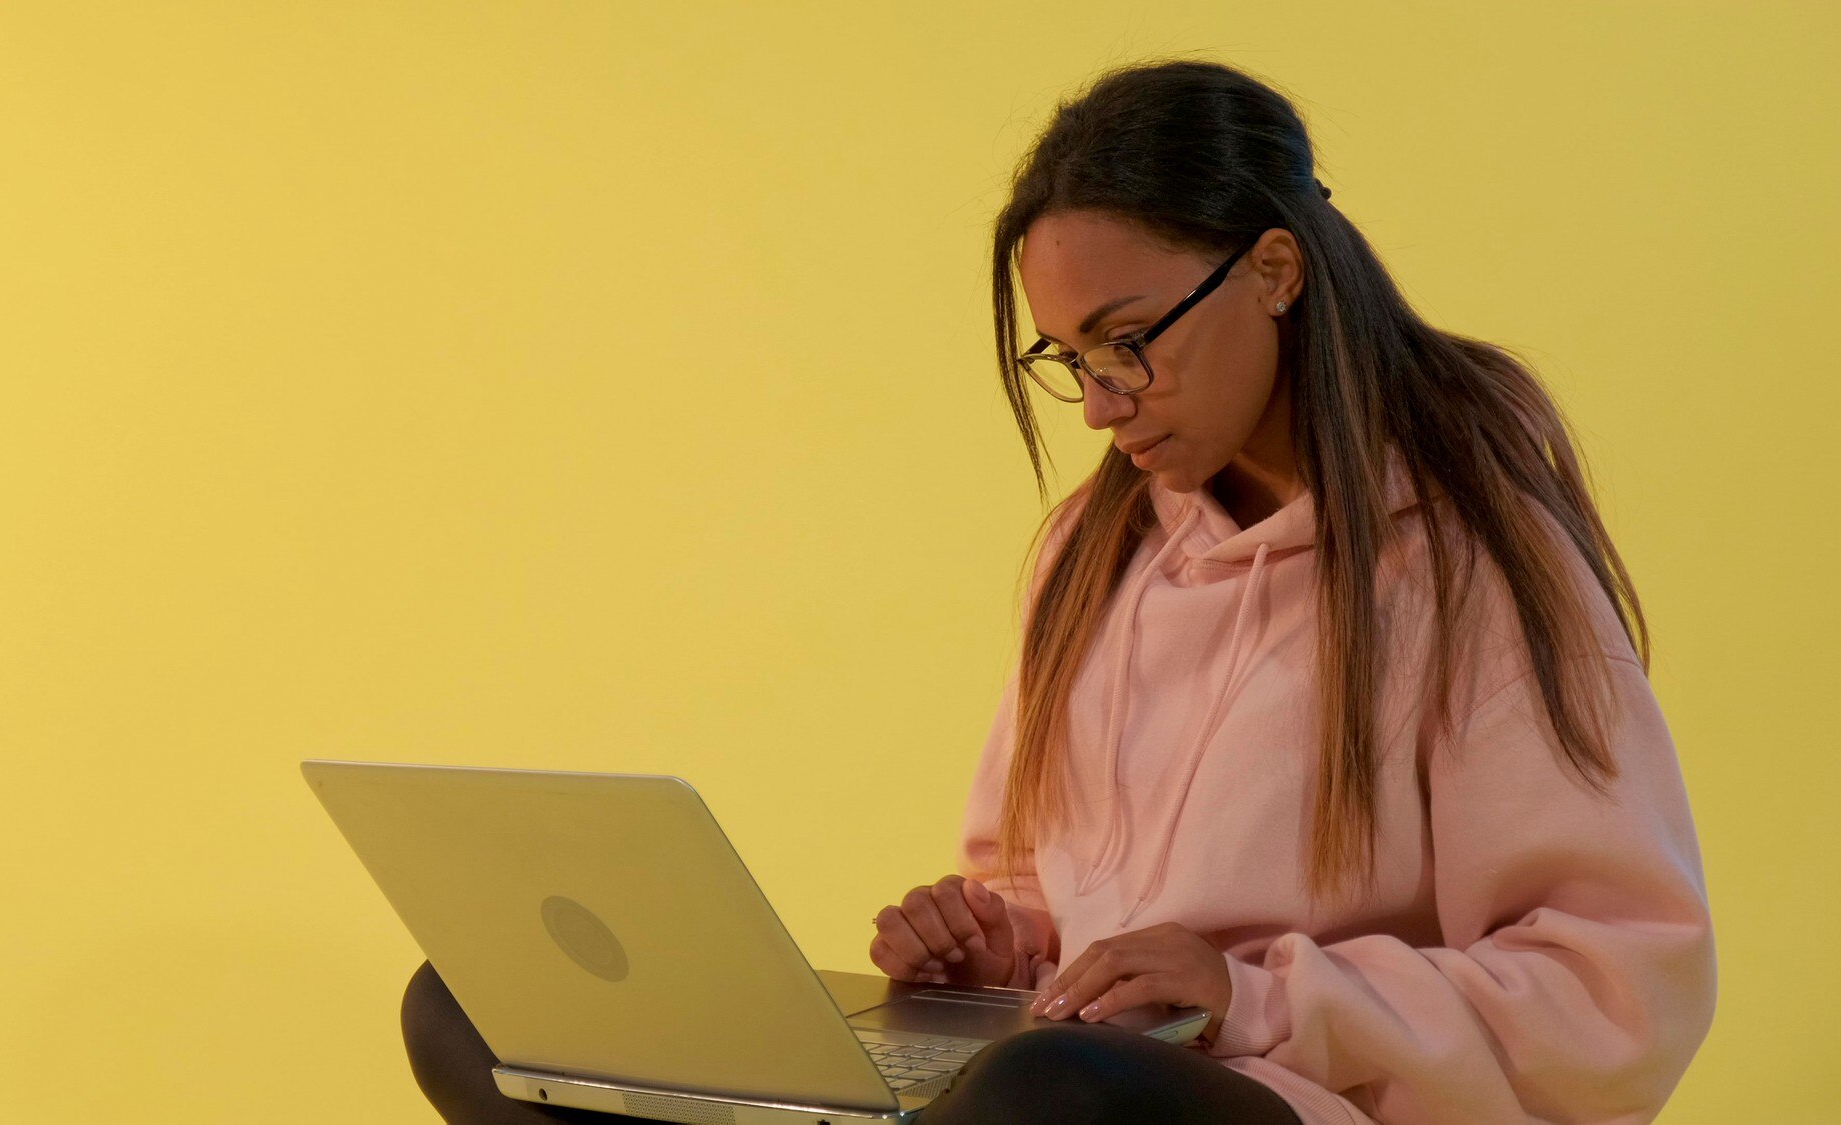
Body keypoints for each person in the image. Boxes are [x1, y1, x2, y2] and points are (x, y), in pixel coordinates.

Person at [401, 56, 1716, 1124]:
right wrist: (1003, 943)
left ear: (1274, 269)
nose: (1097, 403)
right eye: (1070, 357)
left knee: (1054, 1092)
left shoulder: (1477, 554)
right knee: (478, 1008)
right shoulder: (1096, 549)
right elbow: (1051, 887)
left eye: (1130, 342)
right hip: (1049, 1079)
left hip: (1259, 1102)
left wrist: (1251, 995)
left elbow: (1615, 996)